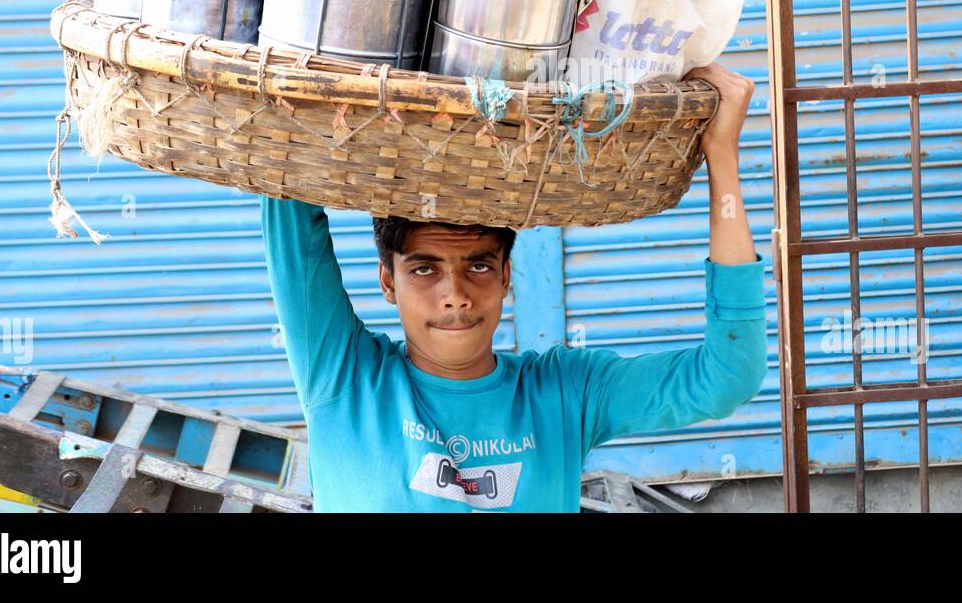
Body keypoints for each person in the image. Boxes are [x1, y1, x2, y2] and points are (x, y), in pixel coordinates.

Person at [259, 63, 767, 511]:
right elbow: (285, 180)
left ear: (506, 275)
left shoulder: (564, 393)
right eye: (425, 269)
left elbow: (728, 375)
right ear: (387, 280)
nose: (454, 293)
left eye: (477, 267)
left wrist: (720, 154)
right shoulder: (346, 379)